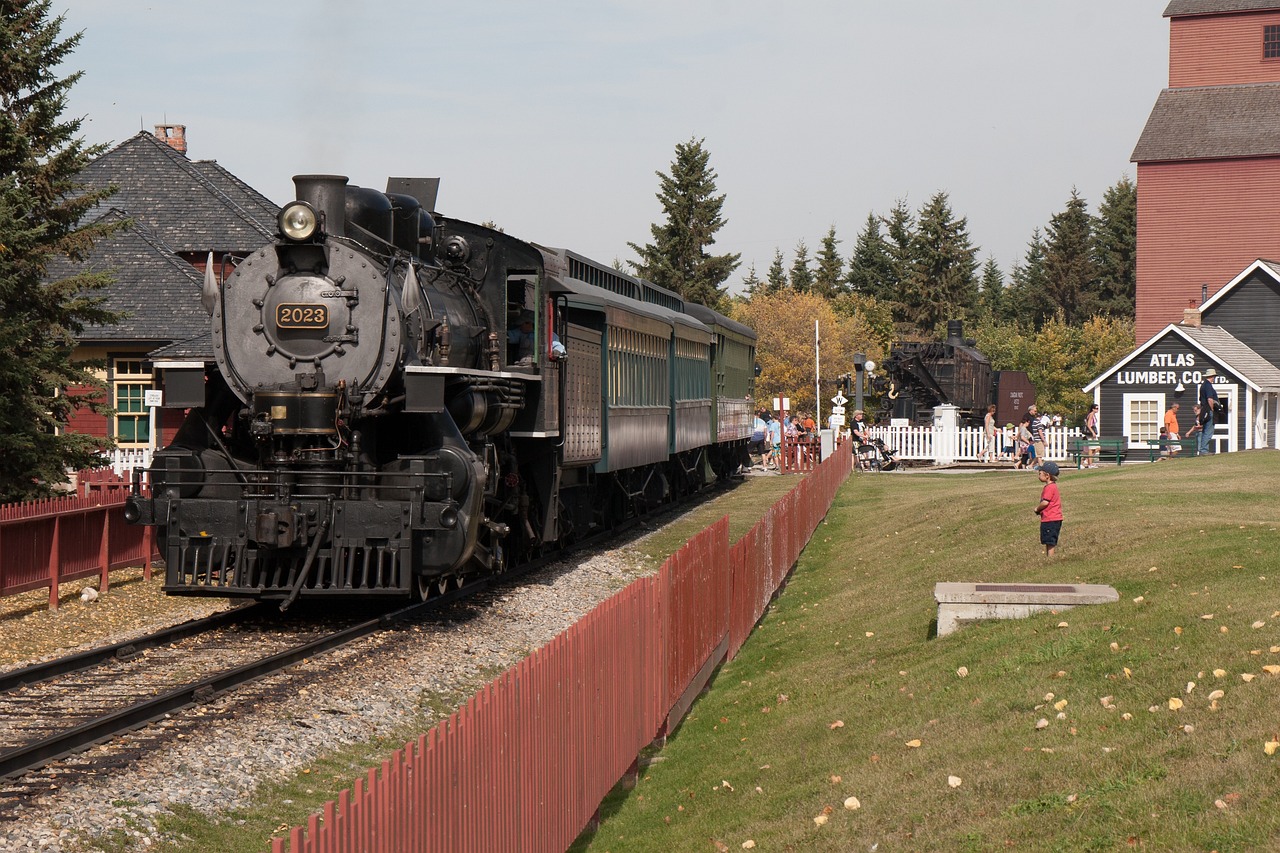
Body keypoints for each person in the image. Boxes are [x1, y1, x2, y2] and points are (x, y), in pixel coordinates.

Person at [1033, 460, 1063, 557]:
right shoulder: (1052, 487)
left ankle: (1050, 557)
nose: (1038, 475)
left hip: (1051, 518)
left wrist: (1037, 509)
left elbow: (1045, 502)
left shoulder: (1050, 488)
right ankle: (1049, 556)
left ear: (1047, 475)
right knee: (1048, 539)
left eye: (1040, 473)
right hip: (1052, 518)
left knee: (1050, 540)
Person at [1197, 368, 1219, 455]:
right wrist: (1212, 409)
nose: (1214, 378)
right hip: (1208, 410)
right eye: (1214, 376)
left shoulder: (1203, 386)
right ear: (1212, 376)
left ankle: (1202, 449)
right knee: (1208, 431)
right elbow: (1210, 399)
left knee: (1205, 430)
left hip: (1203, 410)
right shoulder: (1208, 386)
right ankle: (1204, 450)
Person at [1083, 403, 1100, 468]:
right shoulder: (1091, 414)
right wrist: (1093, 432)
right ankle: (1090, 464)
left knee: (1097, 448)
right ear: (1093, 409)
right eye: (1096, 408)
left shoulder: (1093, 415)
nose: (1097, 410)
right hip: (1090, 434)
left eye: (1098, 408)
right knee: (1091, 448)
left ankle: (1088, 460)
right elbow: (1088, 425)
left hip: (1093, 433)